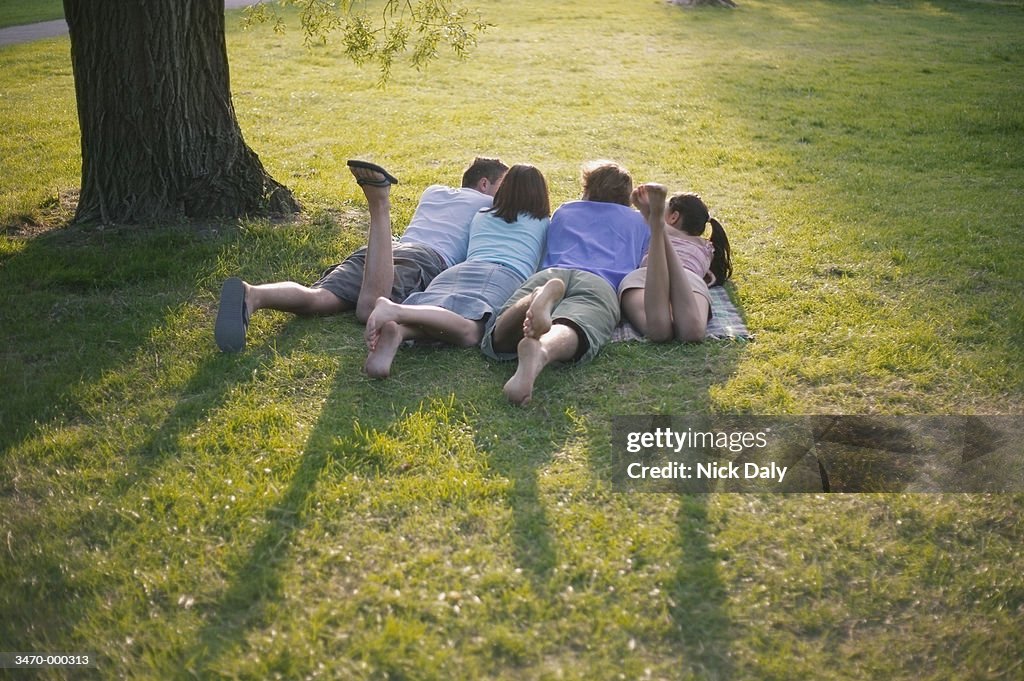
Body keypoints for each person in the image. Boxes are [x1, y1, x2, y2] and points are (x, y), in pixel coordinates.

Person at [214, 157, 508, 352]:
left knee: (320, 299)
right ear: (484, 184)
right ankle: (379, 204)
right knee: (369, 310)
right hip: (422, 260)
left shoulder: (434, 192)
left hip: (384, 248)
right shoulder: (486, 209)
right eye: (503, 187)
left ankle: (253, 294)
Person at [481, 160, 651, 406]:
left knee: (497, 338)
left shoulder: (566, 211)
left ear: (588, 189)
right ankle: (542, 351)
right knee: (576, 325)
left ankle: (535, 298)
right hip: (598, 282)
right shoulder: (640, 222)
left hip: (552, 273)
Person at [362, 164, 552, 378]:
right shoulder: (544, 223)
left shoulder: (483, 214)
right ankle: (397, 311)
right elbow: (541, 267)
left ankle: (400, 331)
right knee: (471, 332)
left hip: (459, 271)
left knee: (446, 320)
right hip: (501, 277)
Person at [619, 186, 732, 342]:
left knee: (658, 332)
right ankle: (659, 229)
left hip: (646, 277)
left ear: (674, 217)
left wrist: (652, 220)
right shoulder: (707, 246)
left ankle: (659, 230)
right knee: (692, 334)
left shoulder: (650, 229)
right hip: (688, 279)